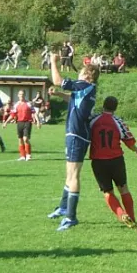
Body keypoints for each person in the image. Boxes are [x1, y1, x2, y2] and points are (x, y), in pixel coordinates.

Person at [47, 52, 100, 231]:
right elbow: (72, 98)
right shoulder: (87, 90)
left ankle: (71, 217)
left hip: (77, 134)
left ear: (86, 75)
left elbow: (56, 79)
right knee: (69, 174)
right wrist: (60, 95)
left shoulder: (84, 84)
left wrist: (53, 62)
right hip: (77, 134)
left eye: (81, 72)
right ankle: (64, 207)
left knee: (73, 175)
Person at [89, 96, 137, 227]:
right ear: (115, 108)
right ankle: (132, 218)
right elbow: (129, 140)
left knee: (107, 192)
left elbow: (84, 134)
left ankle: (121, 214)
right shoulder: (118, 121)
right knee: (124, 189)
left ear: (103, 106)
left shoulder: (93, 120)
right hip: (116, 161)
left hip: (98, 162)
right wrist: (135, 149)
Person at [3, 90, 39, 161]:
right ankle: (22, 156)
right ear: (18, 95)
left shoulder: (29, 104)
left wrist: (38, 121)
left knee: (25, 139)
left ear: (24, 95)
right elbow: (12, 115)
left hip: (27, 122)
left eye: (22, 94)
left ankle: (28, 155)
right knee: (20, 139)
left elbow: (34, 113)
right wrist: (6, 122)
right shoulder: (16, 105)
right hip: (19, 123)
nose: (21, 96)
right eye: (20, 94)